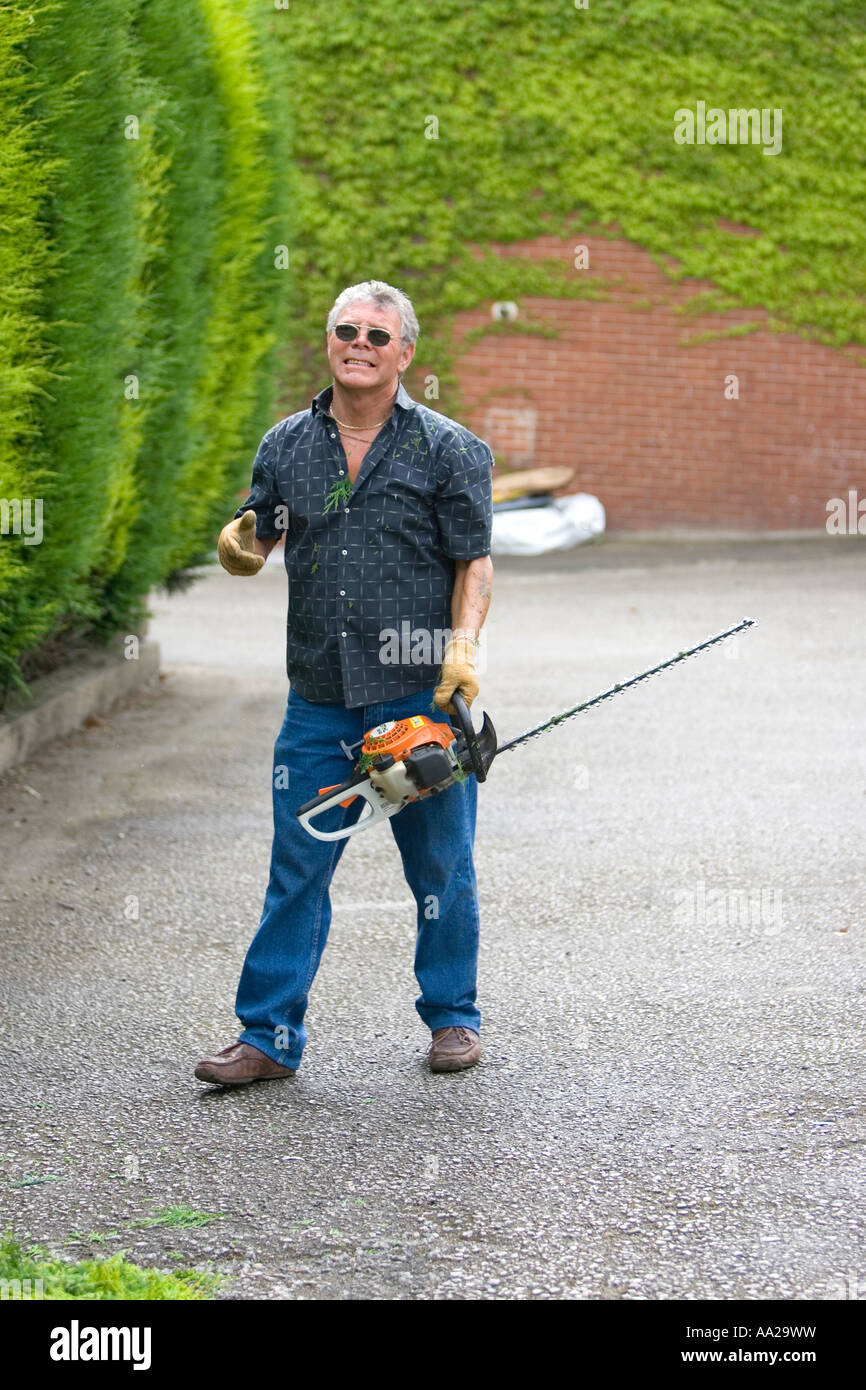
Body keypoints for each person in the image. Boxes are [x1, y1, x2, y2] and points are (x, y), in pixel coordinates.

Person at [195, 280, 494, 1086]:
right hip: (318, 696)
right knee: (298, 865)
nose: (358, 343)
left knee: (440, 867)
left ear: (405, 353)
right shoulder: (286, 445)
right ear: (330, 342)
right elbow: (263, 533)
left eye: (376, 334)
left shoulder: (450, 449)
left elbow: (474, 561)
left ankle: (454, 1019)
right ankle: (267, 1038)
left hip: (417, 694)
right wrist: (242, 548)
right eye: (345, 330)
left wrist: (463, 649)